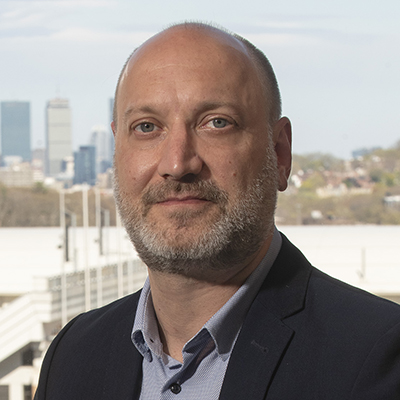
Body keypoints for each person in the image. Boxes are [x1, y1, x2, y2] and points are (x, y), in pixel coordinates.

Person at [35, 22, 400, 399]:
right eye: (146, 127)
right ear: (118, 152)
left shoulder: (378, 358)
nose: (177, 163)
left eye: (217, 123)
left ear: (280, 154)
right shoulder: (73, 356)